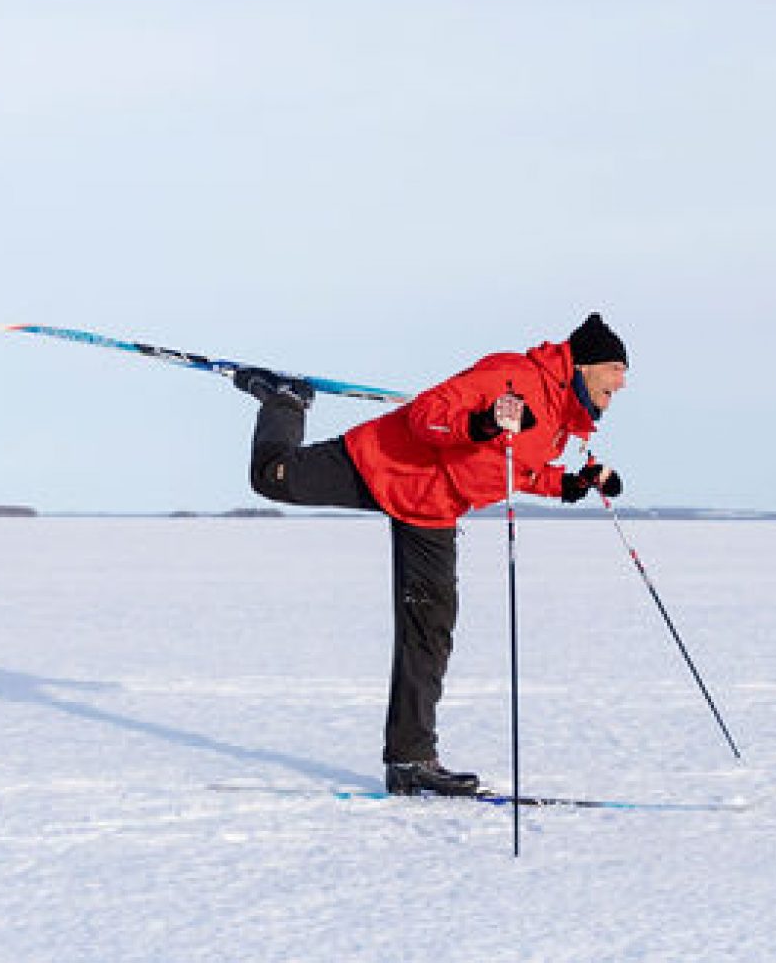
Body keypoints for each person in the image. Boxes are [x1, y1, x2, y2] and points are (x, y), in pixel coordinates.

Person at [235, 313, 630, 797]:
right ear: (586, 364)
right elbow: (428, 415)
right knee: (273, 477)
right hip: (385, 464)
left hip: (433, 510)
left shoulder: (559, 422)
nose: (622, 382)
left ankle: (410, 761)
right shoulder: (512, 375)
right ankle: (284, 399)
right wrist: (481, 423)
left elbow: (508, 468)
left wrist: (566, 483)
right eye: (615, 368)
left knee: (431, 628)